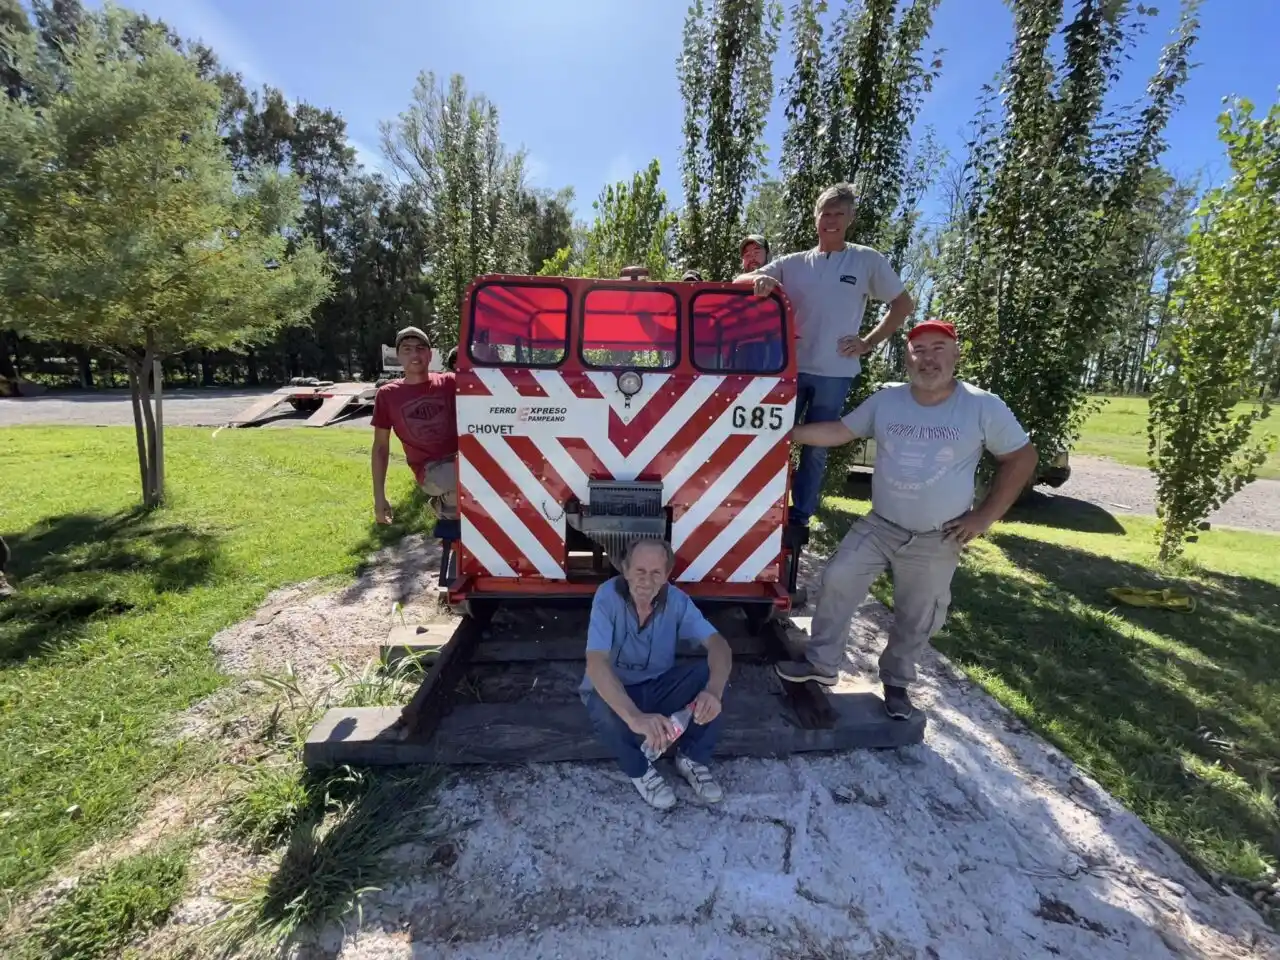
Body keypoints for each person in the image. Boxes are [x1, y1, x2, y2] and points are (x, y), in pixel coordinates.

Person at [773, 320, 1038, 720]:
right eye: (919, 350)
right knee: (838, 577)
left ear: (955, 355)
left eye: (938, 348)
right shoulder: (887, 400)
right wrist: (784, 432)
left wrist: (983, 517)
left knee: (918, 616)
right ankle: (821, 664)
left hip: (938, 535)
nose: (927, 359)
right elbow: (840, 431)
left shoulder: (983, 406)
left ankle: (896, 683)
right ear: (906, 357)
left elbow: (1022, 458)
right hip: (881, 524)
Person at [736, 183, 916, 531]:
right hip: (788, 369)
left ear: (850, 218)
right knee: (770, 437)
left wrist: (868, 341)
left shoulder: (866, 260)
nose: (831, 220)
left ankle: (800, 517)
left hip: (834, 372)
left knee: (815, 449)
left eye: (839, 214)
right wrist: (760, 281)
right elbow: (739, 279)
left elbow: (903, 305)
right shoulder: (794, 263)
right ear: (815, 217)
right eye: (825, 213)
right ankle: (759, 511)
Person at [582, 539, 734, 810]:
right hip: (618, 692)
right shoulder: (607, 596)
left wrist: (714, 691)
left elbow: (718, 645)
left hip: (658, 687)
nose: (646, 581)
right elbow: (596, 663)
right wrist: (635, 718)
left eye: (656, 573)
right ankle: (640, 770)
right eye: (640, 571)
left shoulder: (677, 600)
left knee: (713, 673)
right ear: (625, 570)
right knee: (598, 701)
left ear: (666, 576)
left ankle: (691, 758)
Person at [371, 327, 458, 526]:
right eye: (407, 349)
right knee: (472, 477)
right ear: (398, 356)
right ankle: (443, 504)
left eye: (420, 348)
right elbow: (381, 447)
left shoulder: (449, 382)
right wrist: (379, 497)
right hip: (430, 469)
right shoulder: (387, 395)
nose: (415, 354)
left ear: (429, 354)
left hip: (460, 458)